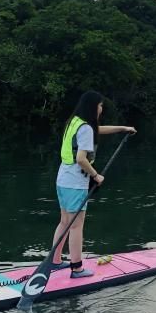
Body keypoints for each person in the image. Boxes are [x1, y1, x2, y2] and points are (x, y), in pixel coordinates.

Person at [51, 90, 136, 278]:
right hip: (75, 182)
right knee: (76, 226)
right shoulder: (85, 128)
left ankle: (54, 261)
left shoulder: (74, 122)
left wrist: (122, 128)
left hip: (63, 179)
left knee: (65, 222)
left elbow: (96, 130)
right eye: (100, 106)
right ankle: (77, 268)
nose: (100, 109)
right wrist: (96, 175)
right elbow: (81, 159)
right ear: (93, 107)